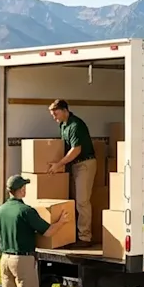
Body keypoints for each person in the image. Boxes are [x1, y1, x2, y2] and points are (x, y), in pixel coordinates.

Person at [46, 99, 97, 246]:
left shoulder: (76, 125)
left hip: (84, 164)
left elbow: (76, 149)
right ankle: (74, 234)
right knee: (74, 201)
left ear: (65, 110)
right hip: (74, 165)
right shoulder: (63, 125)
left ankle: (85, 237)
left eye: (56, 114)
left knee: (82, 201)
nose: (54, 118)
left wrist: (59, 164)